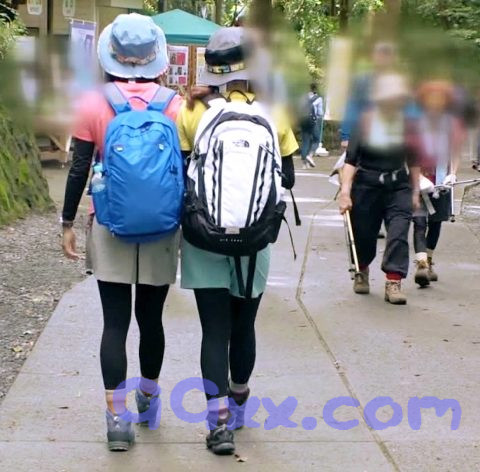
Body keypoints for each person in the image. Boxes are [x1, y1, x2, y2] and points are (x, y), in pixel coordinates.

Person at [61, 14, 183, 451]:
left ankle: (116, 419)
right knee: (151, 319)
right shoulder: (174, 105)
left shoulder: (92, 103)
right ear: (156, 56)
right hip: (162, 226)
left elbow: (79, 168)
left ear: (111, 55)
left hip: (109, 223)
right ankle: (148, 399)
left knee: (115, 323)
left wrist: (67, 222)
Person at [176, 27, 297, 455]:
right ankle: (240, 400)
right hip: (254, 239)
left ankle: (218, 424)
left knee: (214, 331)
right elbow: (287, 179)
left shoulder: (193, 109)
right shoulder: (274, 112)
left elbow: (185, 172)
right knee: (243, 325)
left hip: (204, 237)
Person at [338, 73, 421, 305]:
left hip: (399, 186)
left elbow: (414, 161)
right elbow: (350, 161)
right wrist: (345, 192)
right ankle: (362, 269)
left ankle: (393, 282)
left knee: (398, 232)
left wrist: (415, 192)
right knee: (364, 234)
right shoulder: (364, 123)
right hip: (366, 184)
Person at [412, 81, 464, 286]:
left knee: (436, 222)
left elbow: (455, 152)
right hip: (419, 178)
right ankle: (421, 264)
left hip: (441, 180)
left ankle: (429, 259)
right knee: (419, 221)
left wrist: (453, 174)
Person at [299, 83, 323, 169]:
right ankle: (310, 155)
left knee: (305, 141)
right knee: (316, 140)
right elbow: (320, 113)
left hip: (303, 120)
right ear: (315, 89)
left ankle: (304, 164)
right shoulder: (318, 98)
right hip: (312, 121)